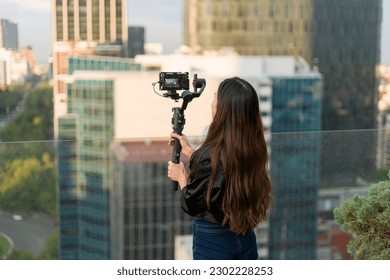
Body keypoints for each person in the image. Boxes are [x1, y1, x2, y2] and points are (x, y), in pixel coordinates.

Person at [167, 77, 273, 260]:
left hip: (213, 239)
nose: (212, 102)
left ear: (223, 108)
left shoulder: (210, 153)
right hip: (245, 234)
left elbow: (192, 205)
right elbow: (225, 170)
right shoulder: (253, 146)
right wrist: (193, 153)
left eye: (216, 97)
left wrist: (182, 176)